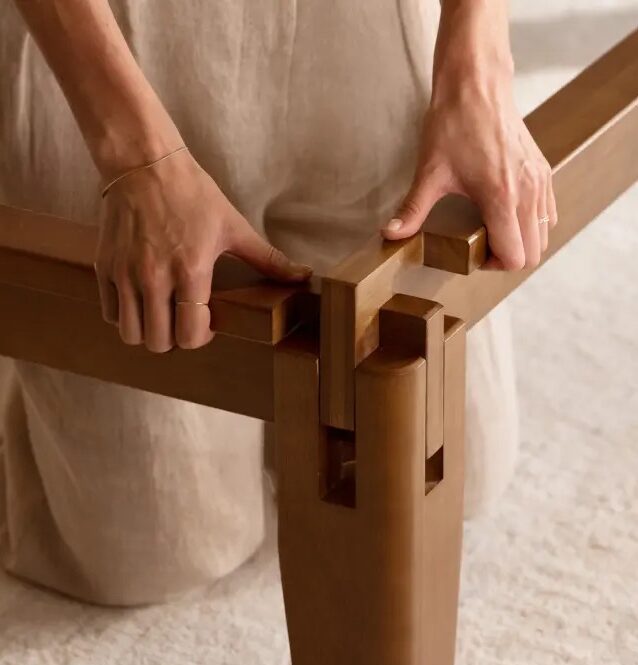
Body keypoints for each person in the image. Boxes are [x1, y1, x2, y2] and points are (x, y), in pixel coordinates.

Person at [0, 0, 556, 606]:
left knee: (445, 474)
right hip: (110, 35)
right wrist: (135, 158)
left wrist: (480, 71)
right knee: (151, 555)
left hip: (360, 26)